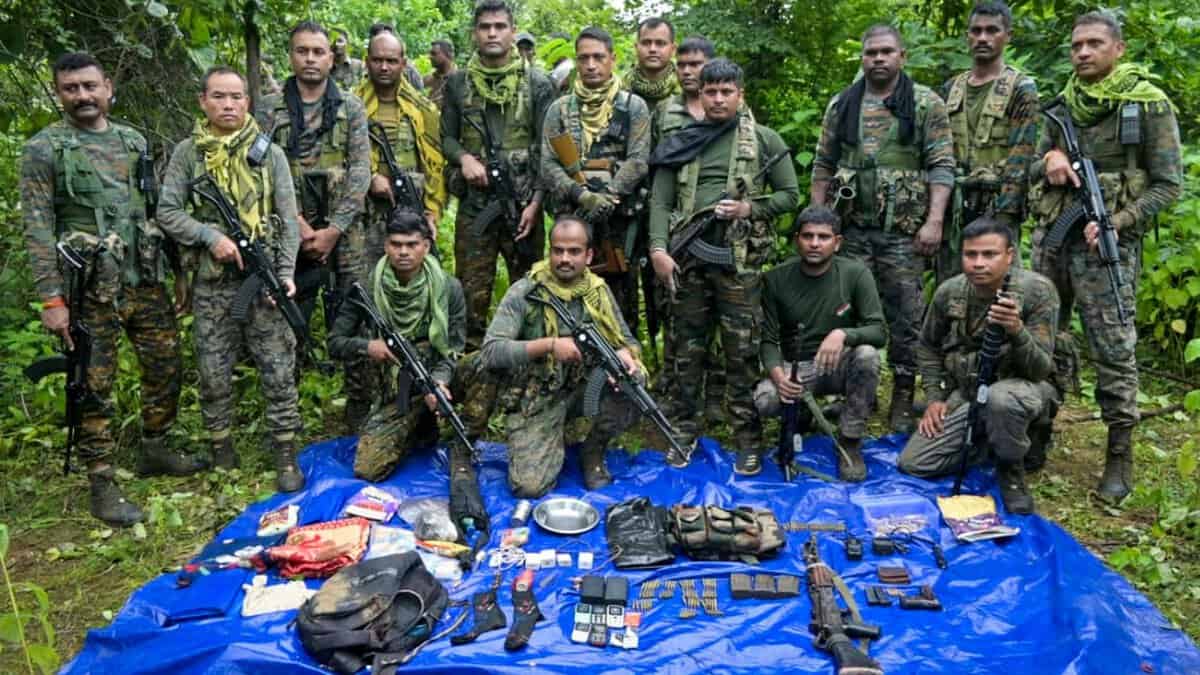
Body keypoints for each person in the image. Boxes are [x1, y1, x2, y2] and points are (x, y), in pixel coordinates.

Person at [20, 52, 205, 526]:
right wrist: (52, 299)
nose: (82, 96)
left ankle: (155, 447)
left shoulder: (133, 141)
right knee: (93, 383)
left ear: (108, 88)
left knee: (166, 365)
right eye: (71, 88)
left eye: (90, 86)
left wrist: (178, 271)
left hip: (143, 278)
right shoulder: (45, 149)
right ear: (59, 93)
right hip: (88, 289)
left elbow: (156, 212)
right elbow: (37, 229)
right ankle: (101, 481)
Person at [1028, 12, 1182, 502]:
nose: (1083, 53)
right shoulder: (1061, 106)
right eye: (1077, 45)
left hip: (1106, 248)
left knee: (1114, 348)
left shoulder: (1147, 105)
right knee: (1041, 337)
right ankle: (1038, 428)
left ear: (1119, 48)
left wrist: (1119, 220)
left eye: (1094, 43)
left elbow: (1168, 186)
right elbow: (1028, 165)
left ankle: (1119, 453)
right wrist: (1049, 159)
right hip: (1054, 240)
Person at [648, 58, 799, 474]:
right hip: (687, 262)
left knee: (741, 354)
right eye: (710, 91)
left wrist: (749, 208)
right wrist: (658, 250)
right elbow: (660, 201)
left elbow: (789, 195)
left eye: (726, 91)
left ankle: (747, 439)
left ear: (740, 94)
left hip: (739, 265)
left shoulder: (764, 139)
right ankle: (683, 431)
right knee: (685, 351)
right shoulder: (681, 140)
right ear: (700, 94)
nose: (717, 99)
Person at [158, 66, 305, 492]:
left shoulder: (268, 153)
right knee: (213, 370)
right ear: (203, 101)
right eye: (219, 96)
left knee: (278, 368)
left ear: (247, 102)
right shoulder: (189, 153)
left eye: (236, 97)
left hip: (263, 280)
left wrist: (284, 274)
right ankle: (221, 447)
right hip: (212, 283)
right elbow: (168, 212)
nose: (228, 105)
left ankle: (284, 450)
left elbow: (288, 219)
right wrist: (210, 237)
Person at [811, 24, 956, 434]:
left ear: (901, 56)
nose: (878, 58)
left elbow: (942, 166)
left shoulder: (925, 103)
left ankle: (903, 397)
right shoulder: (843, 103)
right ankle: (855, 390)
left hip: (903, 234)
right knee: (847, 311)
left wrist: (934, 221)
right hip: (852, 231)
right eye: (871, 52)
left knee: (906, 318)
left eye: (886, 51)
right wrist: (818, 219)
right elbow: (823, 164)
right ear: (862, 57)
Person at [899, 217, 1060, 514]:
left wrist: (1016, 330)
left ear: (1009, 256)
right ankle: (993, 439)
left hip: (1023, 388)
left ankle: (1011, 470)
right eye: (970, 254)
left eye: (989, 254)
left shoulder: (1037, 292)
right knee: (915, 463)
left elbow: (1040, 369)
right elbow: (928, 346)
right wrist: (935, 398)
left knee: (1001, 400)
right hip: (970, 391)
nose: (978, 263)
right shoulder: (950, 291)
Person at [256, 21, 372, 429]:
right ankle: (289, 409)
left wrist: (334, 229)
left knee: (356, 308)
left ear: (330, 58)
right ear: (291, 56)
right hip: (289, 231)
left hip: (345, 232)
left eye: (318, 52)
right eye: (302, 51)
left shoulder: (351, 107)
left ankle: (359, 403)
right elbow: (259, 172)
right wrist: (298, 224)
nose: (310, 59)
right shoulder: (268, 108)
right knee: (286, 312)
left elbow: (361, 170)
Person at [480, 215, 642, 496]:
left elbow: (628, 341)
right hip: (537, 395)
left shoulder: (597, 292)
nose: (564, 259)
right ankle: (547, 433)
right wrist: (549, 345)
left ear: (589, 255)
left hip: (583, 387)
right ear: (549, 251)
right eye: (558, 250)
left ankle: (593, 450)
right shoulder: (526, 291)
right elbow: (491, 351)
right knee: (530, 487)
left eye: (574, 251)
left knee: (634, 382)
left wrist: (626, 354)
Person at [441, 0, 555, 350]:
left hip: (523, 207)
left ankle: (528, 362)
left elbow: (548, 149)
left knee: (531, 292)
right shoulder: (458, 83)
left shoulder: (537, 83)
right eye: (485, 27)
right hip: (476, 207)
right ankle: (470, 363)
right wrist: (464, 159)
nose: (492, 33)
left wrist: (536, 204)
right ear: (474, 33)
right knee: (470, 293)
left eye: (500, 26)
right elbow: (446, 137)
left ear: (512, 31)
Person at [328, 210, 466, 481]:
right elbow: (334, 342)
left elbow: (455, 347)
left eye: (412, 245)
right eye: (396, 244)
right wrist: (368, 346)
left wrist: (439, 381)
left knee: (483, 364)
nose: (404, 252)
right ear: (385, 245)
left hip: (437, 377)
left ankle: (464, 437)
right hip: (395, 389)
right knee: (368, 469)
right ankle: (416, 423)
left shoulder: (449, 288)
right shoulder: (367, 288)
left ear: (426, 246)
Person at [754, 205, 887, 481]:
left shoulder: (856, 274)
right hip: (797, 367)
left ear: (837, 242)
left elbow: (878, 331)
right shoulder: (776, 279)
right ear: (797, 240)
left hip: (839, 363)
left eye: (823, 237)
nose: (815, 243)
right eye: (808, 236)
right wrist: (779, 378)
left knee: (867, 356)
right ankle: (802, 414)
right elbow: (768, 340)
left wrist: (843, 334)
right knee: (765, 400)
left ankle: (849, 439)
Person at [540, 26, 650, 328]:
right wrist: (582, 196)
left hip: (618, 223)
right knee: (568, 300)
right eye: (583, 58)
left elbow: (638, 160)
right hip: (572, 221)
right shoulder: (560, 109)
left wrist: (607, 196)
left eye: (598, 57)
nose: (590, 65)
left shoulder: (633, 106)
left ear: (612, 59)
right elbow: (548, 164)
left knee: (620, 306)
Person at [936, 1, 1038, 283]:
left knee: (999, 285)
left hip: (996, 205)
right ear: (967, 36)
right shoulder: (952, 88)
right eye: (976, 31)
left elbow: (1021, 154)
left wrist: (1005, 215)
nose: (983, 38)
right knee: (952, 284)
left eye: (992, 30)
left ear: (1008, 36)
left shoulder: (1020, 88)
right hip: (955, 207)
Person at [356, 30, 446, 259]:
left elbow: (435, 165)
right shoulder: (349, 106)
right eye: (377, 60)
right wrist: (370, 176)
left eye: (391, 61)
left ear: (403, 64)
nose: (384, 67)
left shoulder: (422, 109)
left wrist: (431, 213)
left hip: (410, 209)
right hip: (362, 214)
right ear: (366, 62)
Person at [624, 17, 679, 112]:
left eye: (660, 43)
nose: (652, 49)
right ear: (636, 48)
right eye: (646, 43)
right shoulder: (620, 90)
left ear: (673, 49)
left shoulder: (686, 88)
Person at [425, 40, 457, 111]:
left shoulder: (460, 80)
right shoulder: (427, 80)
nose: (429, 57)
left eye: (434, 53)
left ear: (447, 55)